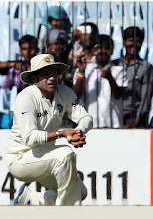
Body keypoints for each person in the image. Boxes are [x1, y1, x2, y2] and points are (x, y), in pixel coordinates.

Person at [5, 54, 93, 205]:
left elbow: (86, 118)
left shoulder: (64, 92)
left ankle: (32, 199)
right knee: (65, 153)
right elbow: (30, 138)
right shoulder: (25, 98)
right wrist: (63, 133)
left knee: (80, 192)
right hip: (21, 159)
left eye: (54, 74)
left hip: (47, 157)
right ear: (34, 79)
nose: (52, 78)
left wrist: (79, 131)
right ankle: (67, 214)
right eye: (46, 74)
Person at [73, 35, 127, 128]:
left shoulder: (119, 71)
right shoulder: (85, 69)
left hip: (114, 125)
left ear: (112, 51)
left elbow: (118, 95)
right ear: (94, 51)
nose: (102, 51)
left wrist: (110, 78)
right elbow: (75, 96)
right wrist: (81, 72)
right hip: (89, 126)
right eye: (99, 48)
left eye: (106, 48)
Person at [113, 26, 153, 128]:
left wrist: (135, 123)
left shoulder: (146, 67)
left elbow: (146, 99)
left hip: (134, 119)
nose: (134, 45)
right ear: (124, 42)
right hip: (114, 117)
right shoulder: (115, 64)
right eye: (131, 40)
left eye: (138, 41)